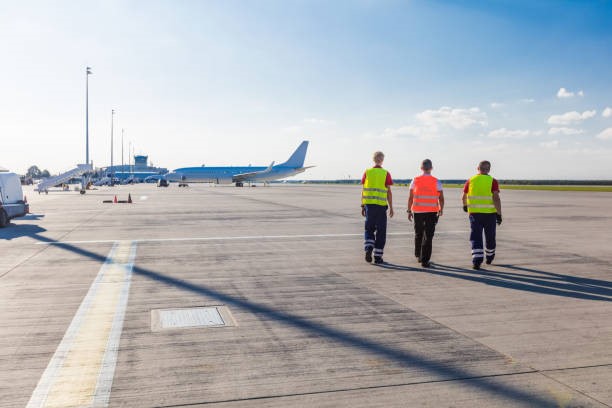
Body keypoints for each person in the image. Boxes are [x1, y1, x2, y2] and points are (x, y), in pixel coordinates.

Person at [461, 160, 502, 269]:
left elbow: (464, 196)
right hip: (490, 214)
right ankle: (489, 257)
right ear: (489, 169)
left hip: (474, 214)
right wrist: (499, 213)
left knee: (476, 237)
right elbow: (496, 198)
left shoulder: (470, 180)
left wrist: (465, 206)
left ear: (477, 168)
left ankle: (477, 261)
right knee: (490, 237)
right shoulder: (493, 181)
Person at [407, 159, 444, 268]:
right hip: (431, 212)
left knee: (418, 233)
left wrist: (409, 210)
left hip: (418, 211)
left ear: (421, 168)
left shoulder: (415, 180)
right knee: (428, 236)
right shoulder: (436, 181)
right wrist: (441, 209)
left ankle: (418, 254)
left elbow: (410, 198)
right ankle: (425, 260)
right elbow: (441, 198)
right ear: (431, 168)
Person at [361, 151, 394, 264]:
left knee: (369, 229)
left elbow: (364, 190)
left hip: (369, 206)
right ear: (382, 160)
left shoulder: (367, 172)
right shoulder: (386, 173)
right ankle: (378, 257)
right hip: (381, 207)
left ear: (373, 159)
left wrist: (362, 205)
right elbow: (389, 192)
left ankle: (369, 248)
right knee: (381, 231)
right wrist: (391, 207)